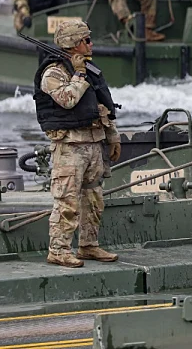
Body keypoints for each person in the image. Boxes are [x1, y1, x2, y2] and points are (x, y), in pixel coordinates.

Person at [34, 20, 121, 268]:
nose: (91, 44)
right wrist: (80, 74)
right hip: (69, 146)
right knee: (67, 201)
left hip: (93, 142)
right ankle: (59, 250)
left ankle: (88, 245)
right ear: (73, 44)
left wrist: (112, 134)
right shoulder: (54, 73)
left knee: (93, 199)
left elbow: (101, 107)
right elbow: (67, 99)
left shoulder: (88, 69)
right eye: (86, 40)